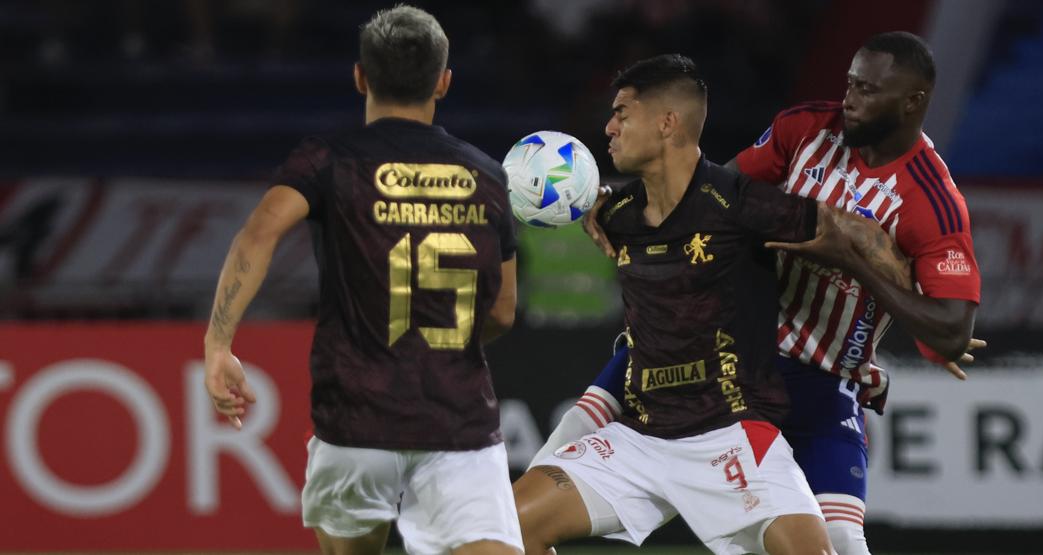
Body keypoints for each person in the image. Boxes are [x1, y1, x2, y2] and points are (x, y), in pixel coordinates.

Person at [546, 32, 984, 554]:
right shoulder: (805, 129)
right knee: (557, 451)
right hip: (713, 342)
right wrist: (620, 208)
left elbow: (952, 331)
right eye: (849, 83)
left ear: (913, 102)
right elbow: (706, 201)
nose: (849, 99)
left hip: (819, 378)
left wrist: (851, 261)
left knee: (841, 540)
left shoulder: (931, 200)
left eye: (867, 90)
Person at [201, 6, 523, 555]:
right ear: (444, 82)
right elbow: (501, 312)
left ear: (360, 76)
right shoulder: (487, 175)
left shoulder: (329, 160)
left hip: (355, 422)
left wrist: (218, 343)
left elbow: (257, 235)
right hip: (458, 426)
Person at [513, 54, 836, 555]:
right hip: (640, 439)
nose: (609, 127)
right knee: (509, 528)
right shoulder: (617, 212)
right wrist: (588, 196)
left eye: (621, 113)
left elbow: (847, 236)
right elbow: (601, 201)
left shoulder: (742, 204)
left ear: (667, 122)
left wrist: (924, 303)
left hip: (730, 436)